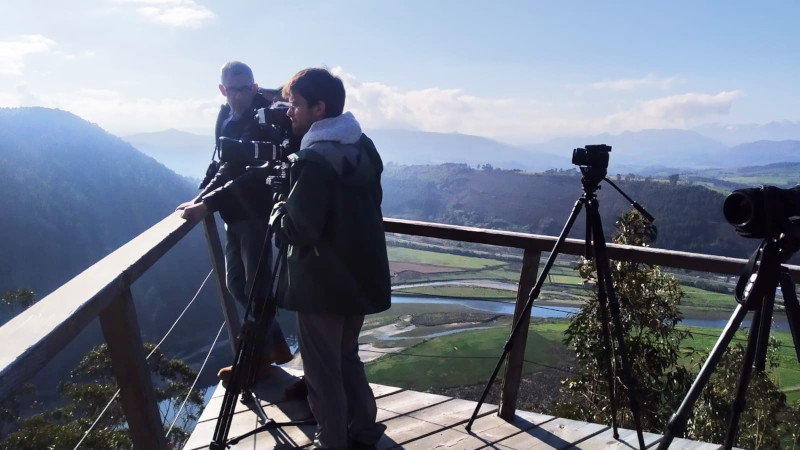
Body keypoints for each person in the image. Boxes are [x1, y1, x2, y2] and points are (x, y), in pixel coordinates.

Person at [269, 68, 391, 450]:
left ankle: (332, 441)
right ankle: (365, 430)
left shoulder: (315, 158)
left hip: (322, 280)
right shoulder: (363, 146)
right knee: (347, 357)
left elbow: (299, 229)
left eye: (295, 104)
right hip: (359, 274)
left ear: (318, 109)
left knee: (322, 369)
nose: (289, 112)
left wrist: (277, 208)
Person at [177, 61, 292, 381]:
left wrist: (208, 203)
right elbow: (221, 163)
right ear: (222, 89)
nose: (239, 95)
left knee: (255, 289)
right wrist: (201, 197)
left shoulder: (262, 123)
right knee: (237, 285)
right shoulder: (225, 116)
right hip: (233, 214)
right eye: (233, 89)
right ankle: (275, 347)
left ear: (255, 88)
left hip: (255, 215)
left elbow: (255, 175)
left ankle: (252, 362)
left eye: (245, 88)